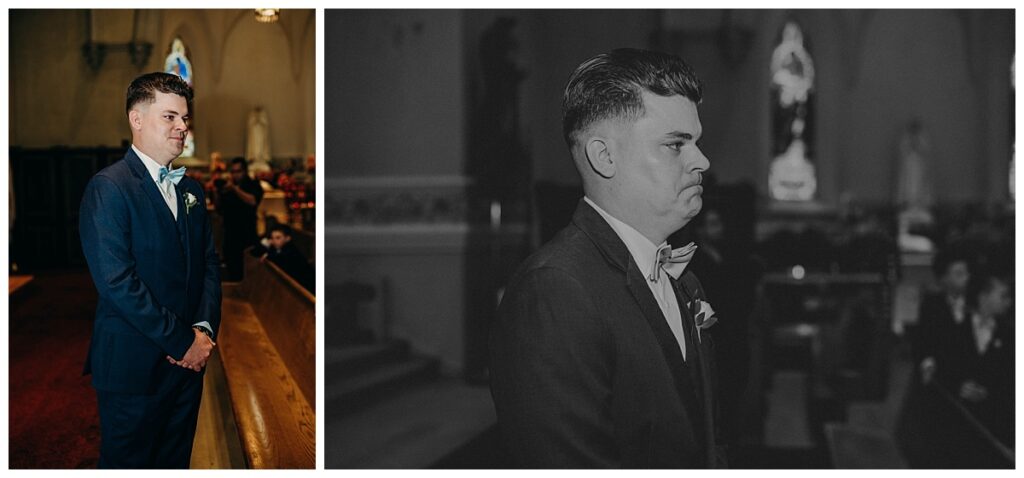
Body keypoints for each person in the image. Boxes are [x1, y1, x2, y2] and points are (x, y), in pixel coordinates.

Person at [489, 48, 724, 468]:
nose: (702, 161)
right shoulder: (554, 290)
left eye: (697, 142)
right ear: (605, 157)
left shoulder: (683, 279)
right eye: (675, 145)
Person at [78, 72, 220, 468]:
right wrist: (182, 342)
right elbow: (116, 282)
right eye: (170, 117)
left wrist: (204, 330)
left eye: (185, 118)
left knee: (174, 464)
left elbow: (209, 263)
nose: (182, 127)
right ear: (136, 120)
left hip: (188, 366)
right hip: (134, 367)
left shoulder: (192, 191)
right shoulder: (109, 187)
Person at [213, 157, 264, 281]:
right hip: (230, 235)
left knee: (248, 273)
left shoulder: (253, 185)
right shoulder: (228, 187)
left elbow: (253, 201)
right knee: (232, 270)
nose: (235, 175)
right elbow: (219, 208)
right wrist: (216, 192)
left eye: (238, 171)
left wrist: (235, 189)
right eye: (233, 172)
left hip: (247, 234)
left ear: (245, 171)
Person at [254, 223, 314, 294]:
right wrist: (264, 244)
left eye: (278, 238)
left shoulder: (292, 250)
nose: (274, 241)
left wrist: (268, 256)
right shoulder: (275, 247)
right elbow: (255, 253)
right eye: (272, 238)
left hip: (306, 287)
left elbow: (282, 260)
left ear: (287, 238)